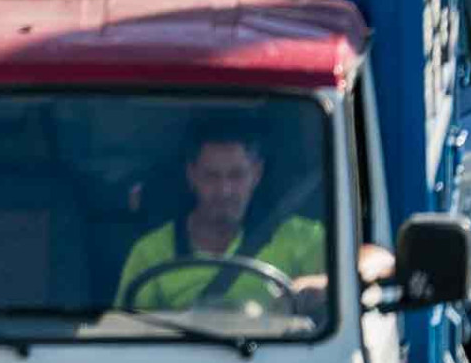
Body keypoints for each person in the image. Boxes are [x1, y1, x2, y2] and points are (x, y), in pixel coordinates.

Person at [114, 121, 329, 318]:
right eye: (211, 176)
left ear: (256, 174)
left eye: (236, 175)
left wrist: (322, 283)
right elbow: (128, 334)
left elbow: (360, 258)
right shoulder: (149, 252)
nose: (224, 190)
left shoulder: (298, 235)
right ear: (192, 175)